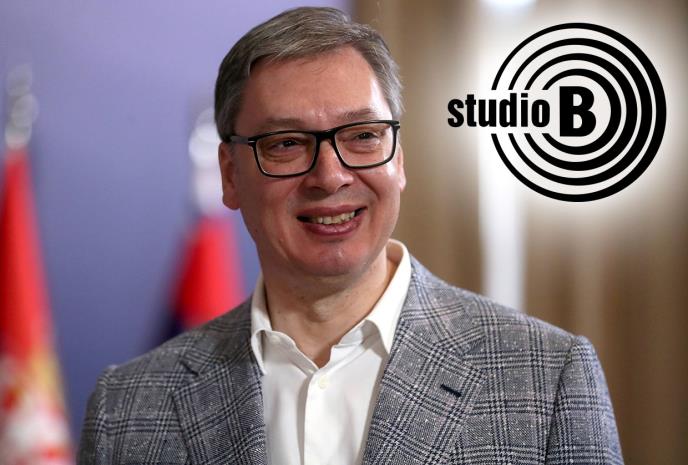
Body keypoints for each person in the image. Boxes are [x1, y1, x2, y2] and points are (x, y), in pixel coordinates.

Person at [78, 7, 623, 465]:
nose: (330, 176)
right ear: (229, 176)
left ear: (399, 159)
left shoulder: (548, 378)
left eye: (362, 136)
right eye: (286, 144)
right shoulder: (126, 410)